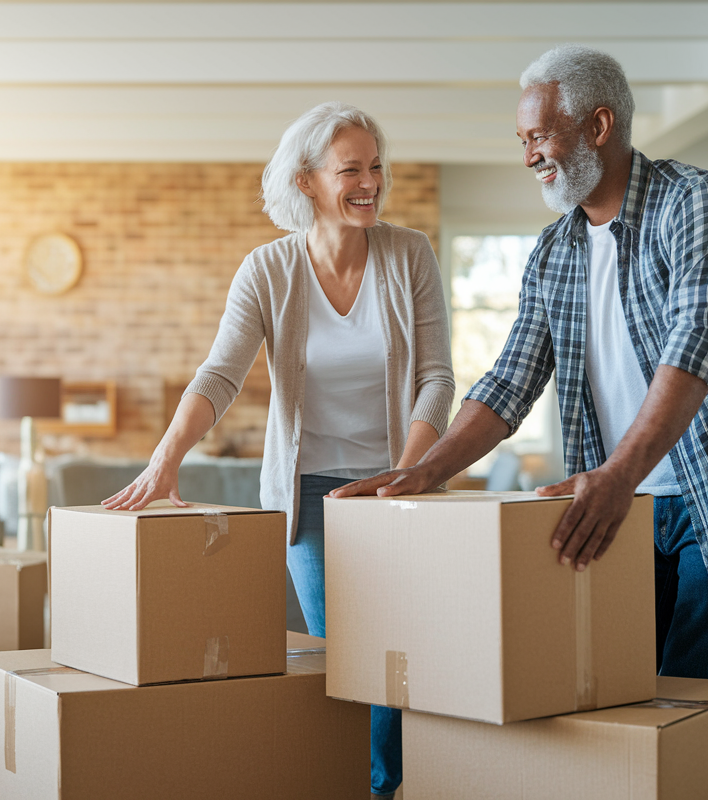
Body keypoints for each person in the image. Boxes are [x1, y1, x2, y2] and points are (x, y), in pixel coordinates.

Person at [333, 46, 708, 683]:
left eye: (539, 136)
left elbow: (696, 347)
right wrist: (423, 471)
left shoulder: (695, 204)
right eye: (522, 140)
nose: (528, 155)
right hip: (622, 499)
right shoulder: (555, 250)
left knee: (695, 700)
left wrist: (615, 474)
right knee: (624, 688)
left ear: (598, 127)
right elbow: (511, 379)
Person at [103, 101, 454, 799]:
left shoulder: (409, 254)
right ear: (307, 182)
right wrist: (165, 458)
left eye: (376, 166)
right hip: (313, 495)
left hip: (400, 488)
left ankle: (392, 783)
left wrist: (411, 472)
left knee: (402, 652)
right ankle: (362, 781)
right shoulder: (268, 271)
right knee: (348, 656)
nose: (370, 182)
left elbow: (436, 378)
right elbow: (220, 375)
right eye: (350, 169)